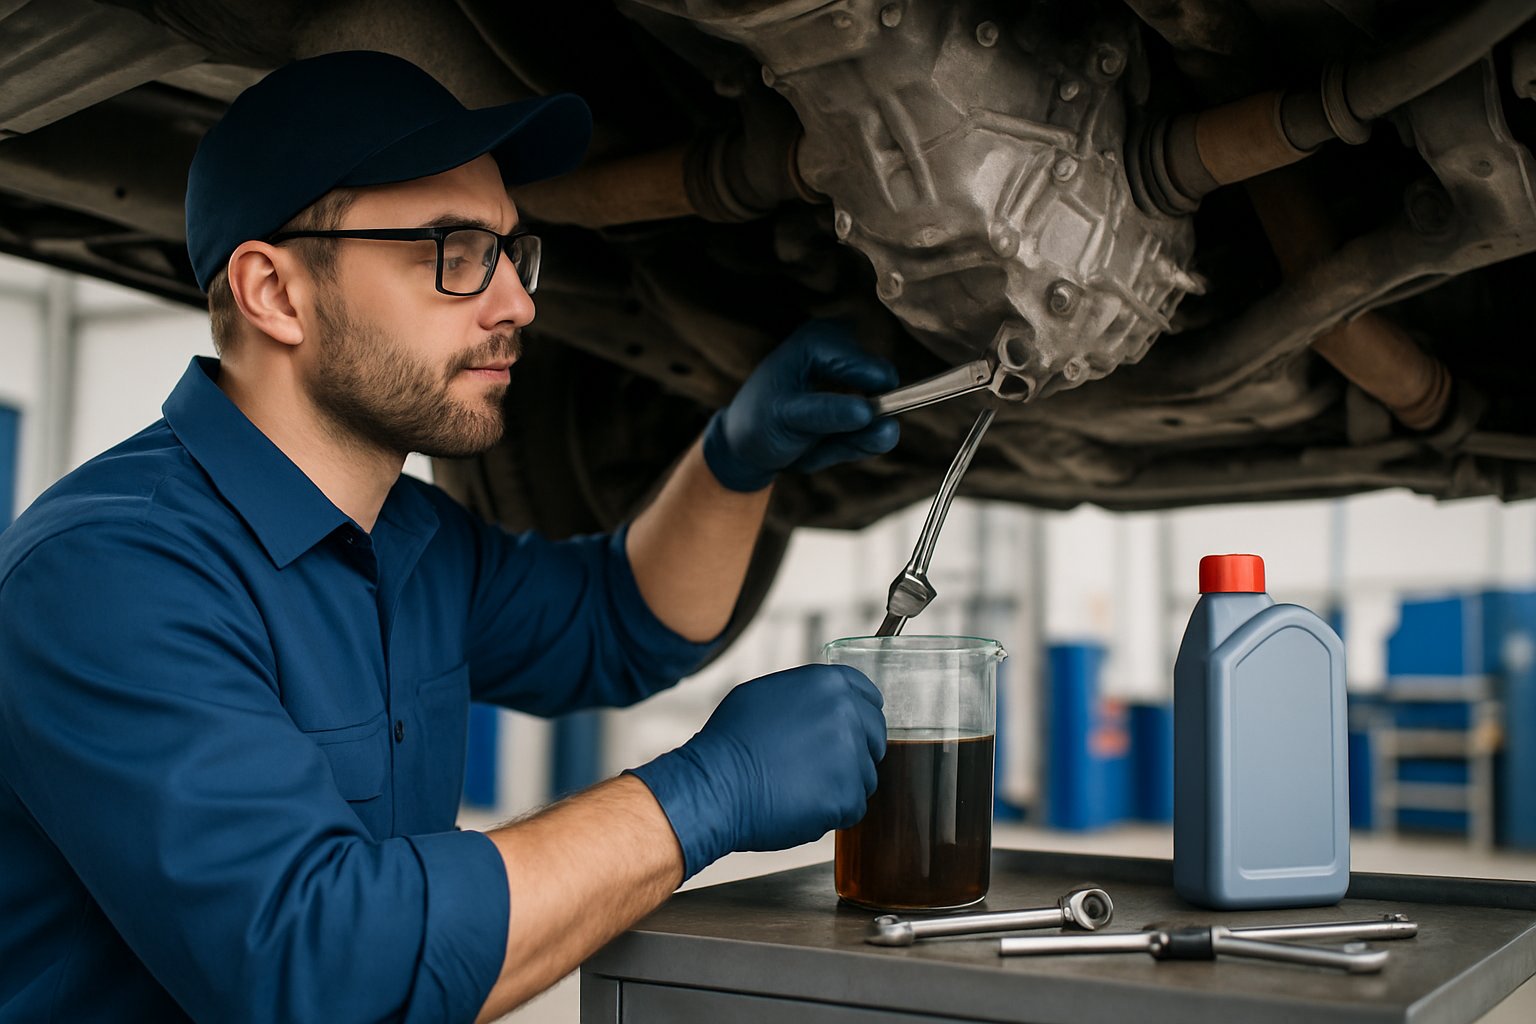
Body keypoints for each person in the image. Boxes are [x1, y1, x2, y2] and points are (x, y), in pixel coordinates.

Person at [0, 51, 901, 1023]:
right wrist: (707, 793)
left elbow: (621, 620)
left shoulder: (416, 540)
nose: (517, 301)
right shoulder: (109, 577)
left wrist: (733, 459)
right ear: (275, 293)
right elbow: (319, 968)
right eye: (454, 250)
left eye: (513, 251)